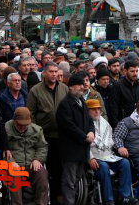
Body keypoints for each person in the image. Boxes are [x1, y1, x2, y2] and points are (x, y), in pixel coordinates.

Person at [26, 61, 68, 204]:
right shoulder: (35, 91)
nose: (54, 74)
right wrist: (36, 132)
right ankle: (50, 195)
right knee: (49, 168)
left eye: (56, 72)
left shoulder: (64, 88)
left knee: (62, 168)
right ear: (44, 73)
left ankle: (60, 195)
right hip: (44, 136)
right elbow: (30, 113)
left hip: (62, 135)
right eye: (51, 72)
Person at [86, 99, 137, 205]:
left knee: (125, 163)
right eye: (93, 109)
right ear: (87, 111)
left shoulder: (105, 123)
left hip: (107, 154)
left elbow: (111, 139)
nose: (97, 112)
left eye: (98, 109)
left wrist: (107, 146)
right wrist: (90, 158)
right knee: (103, 166)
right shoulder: (84, 124)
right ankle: (109, 200)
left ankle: (125, 197)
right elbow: (84, 146)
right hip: (95, 157)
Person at [56, 73, 95, 205]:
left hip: (81, 150)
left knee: (77, 179)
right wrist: (85, 137)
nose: (81, 87)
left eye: (82, 85)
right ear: (70, 87)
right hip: (70, 150)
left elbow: (89, 121)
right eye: (78, 85)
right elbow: (68, 126)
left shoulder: (82, 102)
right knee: (69, 182)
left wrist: (91, 132)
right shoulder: (64, 105)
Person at [5, 107, 49, 205]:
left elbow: (43, 147)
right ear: (14, 120)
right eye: (20, 125)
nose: (22, 127)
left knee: (42, 174)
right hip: (16, 165)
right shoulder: (6, 129)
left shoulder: (37, 129)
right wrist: (11, 162)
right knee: (14, 176)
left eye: (25, 125)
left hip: (32, 164)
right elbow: (4, 150)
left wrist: (38, 159)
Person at [109, 61, 139, 128]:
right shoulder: (118, 86)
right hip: (124, 124)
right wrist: (116, 125)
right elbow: (113, 107)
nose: (135, 74)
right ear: (125, 71)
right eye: (132, 71)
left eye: (136, 71)